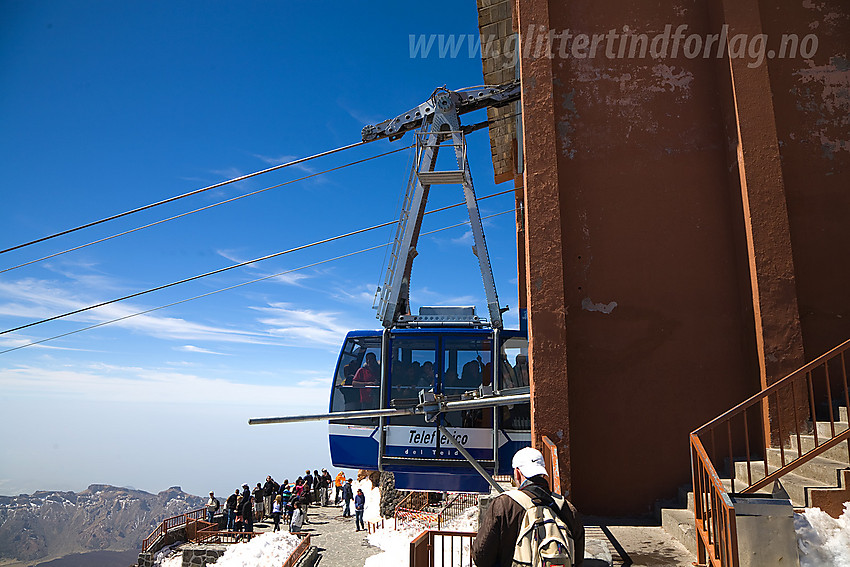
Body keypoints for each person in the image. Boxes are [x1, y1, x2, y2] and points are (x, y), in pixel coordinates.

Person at [472, 447, 585, 567]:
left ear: (517, 473)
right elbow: (578, 558)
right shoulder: (566, 507)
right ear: (542, 473)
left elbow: (481, 556)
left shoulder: (504, 504)